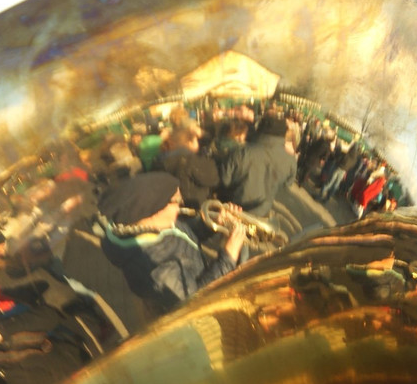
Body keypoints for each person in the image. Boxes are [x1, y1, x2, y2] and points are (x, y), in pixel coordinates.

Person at [98, 171, 246, 313]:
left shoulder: (161, 224)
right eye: (177, 201)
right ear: (156, 211)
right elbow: (195, 299)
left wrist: (212, 224)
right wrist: (229, 255)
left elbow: (183, 235)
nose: (182, 204)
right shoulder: (157, 269)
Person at [218, 113, 297, 217]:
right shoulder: (290, 160)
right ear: (283, 134)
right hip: (263, 214)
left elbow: (225, 180)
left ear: (259, 129)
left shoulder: (240, 152)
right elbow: (287, 185)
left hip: (233, 211)